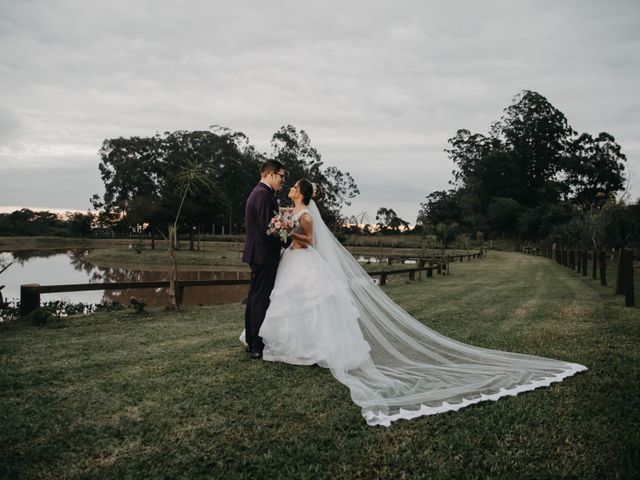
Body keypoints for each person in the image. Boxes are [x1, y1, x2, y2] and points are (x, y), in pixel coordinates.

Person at [245, 178, 587, 427]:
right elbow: (291, 226)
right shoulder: (294, 209)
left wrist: (288, 231)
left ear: (302, 193)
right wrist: (284, 226)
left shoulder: (304, 215)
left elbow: (310, 238)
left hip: (303, 260)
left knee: (310, 305)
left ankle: (313, 348)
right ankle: (292, 345)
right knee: (292, 305)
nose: (288, 189)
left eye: (293, 188)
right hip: (293, 260)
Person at [242, 160, 292, 359]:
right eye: (281, 176)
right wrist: (288, 240)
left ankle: (251, 341)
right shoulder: (263, 195)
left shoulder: (261, 193)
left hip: (259, 254)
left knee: (255, 297)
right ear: (270, 174)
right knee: (260, 299)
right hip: (263, 255)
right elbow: (269, 229)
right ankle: (256, 344)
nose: (283, 180)